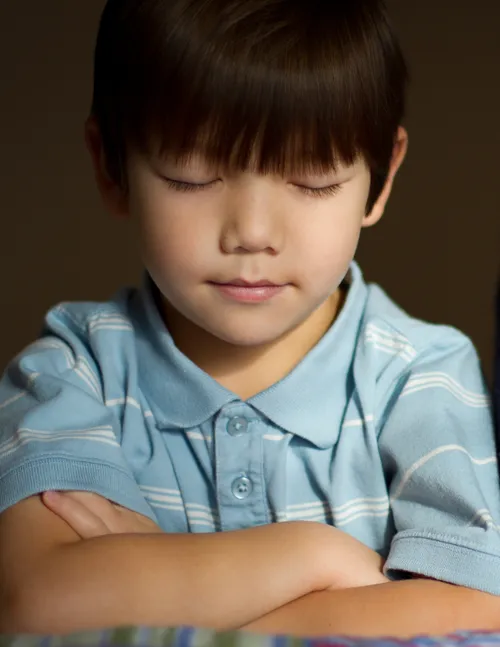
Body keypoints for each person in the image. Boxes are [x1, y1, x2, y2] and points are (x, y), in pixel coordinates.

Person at [1, 0, 500, 637]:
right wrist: (323, 558)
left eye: (313, 180)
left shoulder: (422, 377)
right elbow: (35, 601)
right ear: (110, 165)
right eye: (191, 174)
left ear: (379, 178)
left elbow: (479, 607)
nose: (253, 235)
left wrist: (159, 580)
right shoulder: (71, 373)